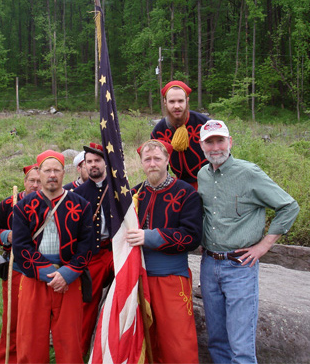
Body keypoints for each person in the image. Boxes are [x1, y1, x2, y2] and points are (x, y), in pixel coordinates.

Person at [197, 119, 300, 364]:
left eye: (220, 140)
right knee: (217, 341)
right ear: (201, 146)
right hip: (209, 264)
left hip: (240, 267)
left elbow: (289, 206)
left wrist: (264, 245)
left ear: (230, 142)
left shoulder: (249, 173)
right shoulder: (202, 174)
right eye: (209, 142)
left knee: (241, 346)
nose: (215, 147)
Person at [12, 149, 93, 364]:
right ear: (39, 172)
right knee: (30, 341)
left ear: (63, 172)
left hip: (68, 279)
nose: (52, 175)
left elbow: (87, 246)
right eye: (47, 170)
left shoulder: (81, 205)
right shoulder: (23, 207)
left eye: (56, 170)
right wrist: (49, 273)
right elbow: (21, 247)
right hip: (35, 278)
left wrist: (66, 273)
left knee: (69, 342)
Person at [127, 139, 202, 364]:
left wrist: (150, 237)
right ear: (141, 163)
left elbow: (192, 237)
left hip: (171, 278)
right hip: (139, 278)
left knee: (178, 342)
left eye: (157, 159)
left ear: (167, 161)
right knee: (146, 341)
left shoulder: (186, 193)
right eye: (147, 159)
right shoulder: (134, 193)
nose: (152, 164)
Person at [0, 164, 41, 364]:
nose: (35, 185)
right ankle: (8, 360)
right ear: (24, 182)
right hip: (15, 269)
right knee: (12, 319)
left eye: (39, 181)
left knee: (34, 321)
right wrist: (6, 235)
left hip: (40, 270)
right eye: (32, 181)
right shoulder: (8, 204)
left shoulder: (49, 203)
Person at [74, 142, 114, 356]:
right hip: (92, 257)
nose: (93, 165)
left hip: (115, 251)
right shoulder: (78, 194)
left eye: (97, 160)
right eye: (89, 162)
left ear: (105, 162)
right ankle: (78, 357)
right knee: (86, 307)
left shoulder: (119, 189)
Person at [150, 80, 209, 187]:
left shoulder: (204, 124)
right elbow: (157, 167)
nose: (176, 106)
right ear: (165, 102)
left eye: (180, 101)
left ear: (187, 101)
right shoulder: (159, 131)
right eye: (172, 101)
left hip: (209, 183)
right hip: (181, 186)